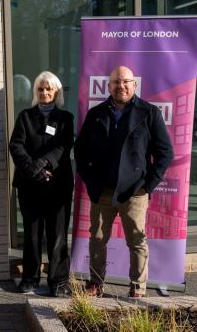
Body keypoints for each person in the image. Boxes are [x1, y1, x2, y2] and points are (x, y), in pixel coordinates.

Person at [74, 66, 173, 298]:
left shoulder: (149, 113)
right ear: (108, 87)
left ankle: (138, 287)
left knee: (137, 240)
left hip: (135, 192)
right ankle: (95, 283)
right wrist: (90, 180)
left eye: (126, 82)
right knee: (97, 238)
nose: (121, 86)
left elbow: (165, 153)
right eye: (116, 82)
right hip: (103, 190)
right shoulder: (96, 113)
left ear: (134, 85)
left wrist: (147, 186)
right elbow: (81, 150)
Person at [9, 71, 74, 297]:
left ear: (56, 91)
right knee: (32, 233)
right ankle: (30, 278)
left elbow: (63, 146)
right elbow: (16, 145)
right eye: (40, 89)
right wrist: (33, 168)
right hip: (30, 185)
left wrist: (45, 163)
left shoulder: (65, 118)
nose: (44, 92)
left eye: (49, 89)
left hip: (58, 184)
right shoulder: (25, 116)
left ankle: (58, 281)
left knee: (57, 234)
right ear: (35, 92)